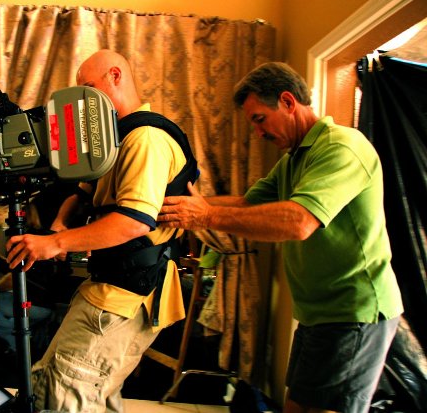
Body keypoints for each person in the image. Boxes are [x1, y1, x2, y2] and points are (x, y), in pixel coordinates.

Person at [157, 61, 404, 413]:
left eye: (260, 119)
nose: (258, 132)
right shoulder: (293, 160)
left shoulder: (343, 147)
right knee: (296, 407)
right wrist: (186, 204)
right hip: (318, 313)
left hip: (354, 311)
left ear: (288, 102)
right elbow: (247, 203)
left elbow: (299, 222)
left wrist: (205, 216)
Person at [5, 49, 190, 412]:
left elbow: (134, 221)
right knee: (68, 385)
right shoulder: (115, 138)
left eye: (89, 87)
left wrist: (54, 242)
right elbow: (84, 192)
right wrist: (61, 221)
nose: (83, 100)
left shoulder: (145, 139)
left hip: (126, 294)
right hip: (108, 287)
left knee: (67, 392)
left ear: (115, 76)